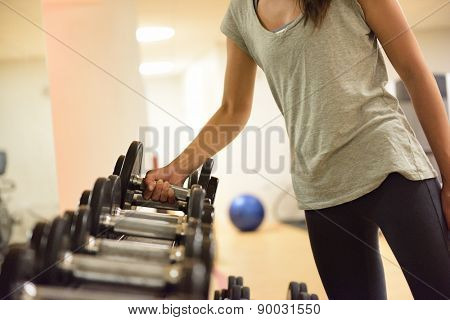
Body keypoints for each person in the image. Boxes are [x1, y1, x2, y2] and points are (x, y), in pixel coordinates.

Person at [143, 0, 450, 299]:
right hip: (320, 188)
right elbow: (232, 109)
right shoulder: (241, 13)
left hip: (390, 167)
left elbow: (414, 72)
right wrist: (177, 169)